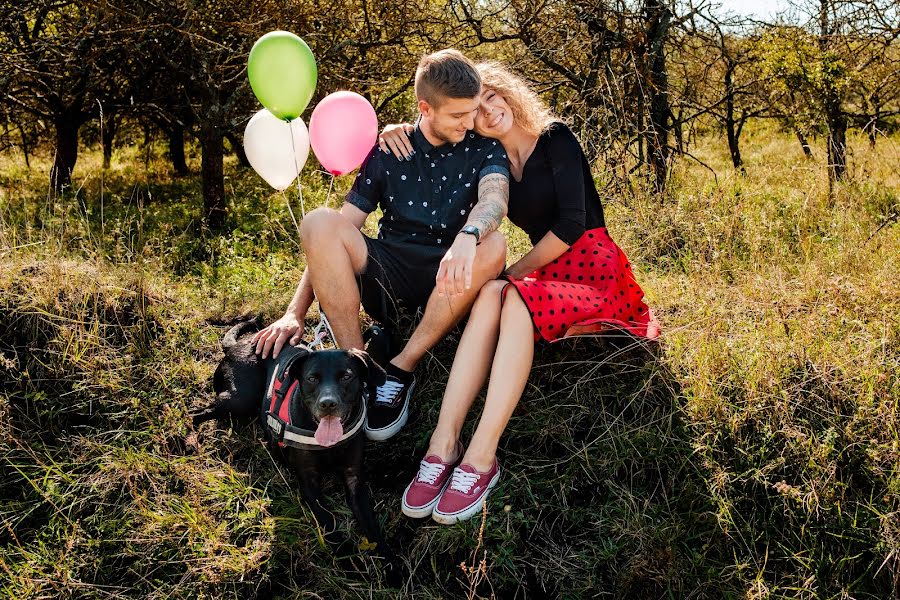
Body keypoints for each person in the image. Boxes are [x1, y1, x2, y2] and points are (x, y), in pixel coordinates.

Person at [379, 62, 661, 524]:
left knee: (508, 293)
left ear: (510, 96)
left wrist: (515, 272)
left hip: (594, 266)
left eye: (496, 97)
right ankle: (441, 447)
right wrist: (401, 130)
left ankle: (481, 457)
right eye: (480, 105)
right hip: (552, 271)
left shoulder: (555, 139)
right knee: (492, 294)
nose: (490, 110)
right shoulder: (493, 165)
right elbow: (435, 125)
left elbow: (571, 225)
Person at [252, 50, 512, 443]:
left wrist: (468, 235)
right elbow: (332, 236)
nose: (470, 121)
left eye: (472, 111)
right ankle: (358, 368)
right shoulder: (390, 149)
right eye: (458, 115)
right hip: (388, 271)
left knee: (496, 244)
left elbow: (495, 200)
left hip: (452, 274)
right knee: (319, 221)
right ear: (425, 108)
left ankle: (399, 370)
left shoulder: (484, 148)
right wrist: (295, 312)